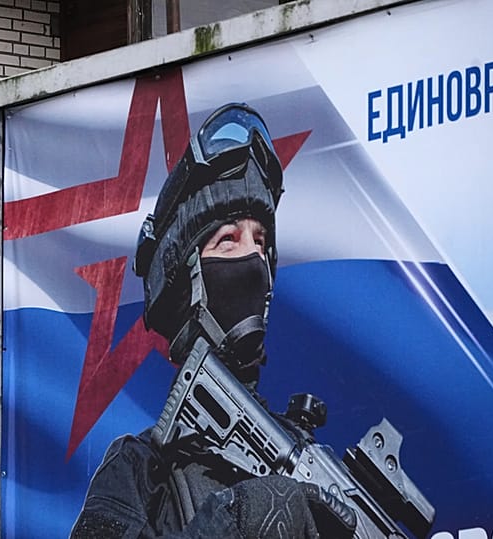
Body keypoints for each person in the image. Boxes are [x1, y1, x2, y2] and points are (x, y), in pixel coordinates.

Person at [70, 104, 357, 538]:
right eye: (228, 240)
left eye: (261, 242)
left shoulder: (309, 462)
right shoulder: (140, 472)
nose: (253, 260)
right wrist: (234, 524)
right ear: (185, 278)